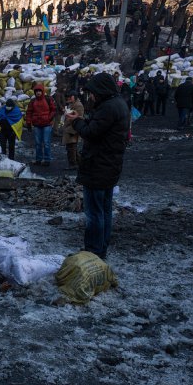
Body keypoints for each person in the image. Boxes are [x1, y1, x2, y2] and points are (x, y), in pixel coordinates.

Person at [64, 73, 129, 259]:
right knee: (105, 210)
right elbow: (99, 128)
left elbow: (91, 133)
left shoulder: (108, 108)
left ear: (100, 91)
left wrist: (75, 122)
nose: (91, 96)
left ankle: (93, 250)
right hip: (109, 166)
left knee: (94, 213)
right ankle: (101, 248)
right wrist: (81, 119)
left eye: (92, 93)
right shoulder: (118, 104)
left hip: (98, 166)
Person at [25, 83, 56, 166]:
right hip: (37, 125)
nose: (38, 92)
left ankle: (47, 160)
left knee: (46, 142)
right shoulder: (33, 101)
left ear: (42, 91)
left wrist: (49, 118)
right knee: (38, 143)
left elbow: (53, 110)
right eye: (36, 91)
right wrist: (28, 123)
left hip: (47, 124)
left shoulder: (48, 99)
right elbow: (29, 112)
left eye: (39, 91)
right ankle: (38, 159)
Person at [63, 91, 84, 170]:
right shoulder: (72, 104)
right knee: (71, 147)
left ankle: (73, 164)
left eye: (70, 97)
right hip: (70, 128)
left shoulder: (78, 105)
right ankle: (79, 162)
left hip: (73, 129)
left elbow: (79, 117)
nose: (68, 98)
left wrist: (68, 116)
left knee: (71, 148)